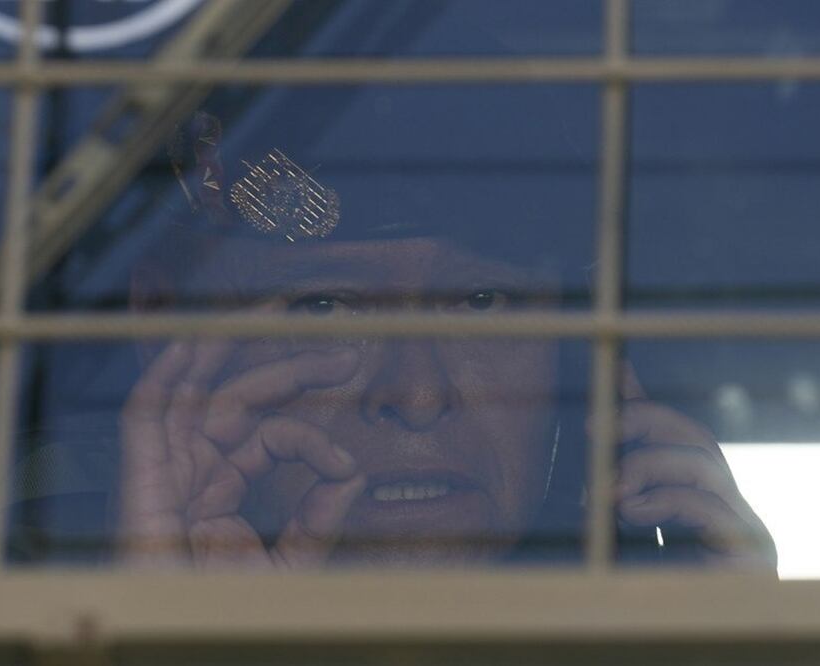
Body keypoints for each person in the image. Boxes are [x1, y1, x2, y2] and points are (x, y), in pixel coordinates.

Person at [115, 111, 777, 570]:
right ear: (161, 319)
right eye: (323, 306)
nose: (418, 395)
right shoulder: (17, 588)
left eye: (483, 301)